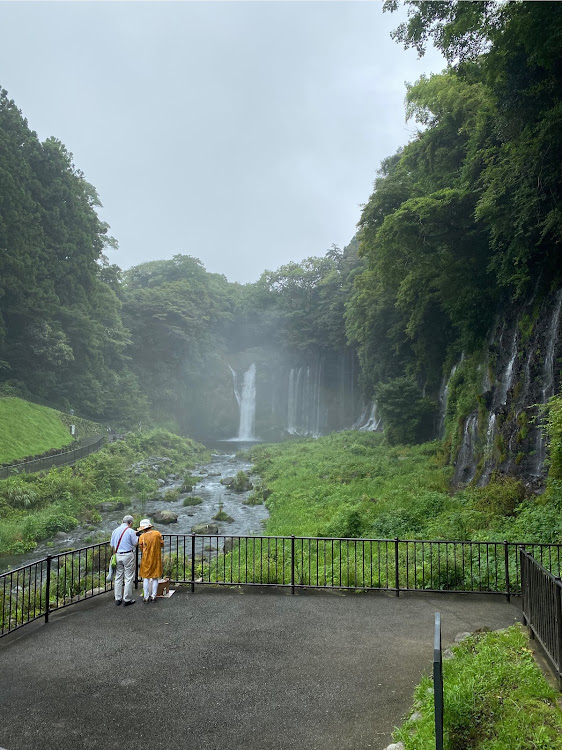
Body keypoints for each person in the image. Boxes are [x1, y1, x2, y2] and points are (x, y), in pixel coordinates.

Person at [110, 514, 139, 606]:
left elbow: (112, 545)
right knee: (128, 577)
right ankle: (127, 599)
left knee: (118, 576)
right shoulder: (130, 531)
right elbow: (135, 543)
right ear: (130, 523)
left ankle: (118, 598)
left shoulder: (115, 531)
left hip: (117, 555)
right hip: (128, 555)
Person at [137, 518, 164, 603]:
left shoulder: (142, 537)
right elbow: (162, 544)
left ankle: (146, 597)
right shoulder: (157, 533)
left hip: (146, 559)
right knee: (155, 577)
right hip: (156, 558)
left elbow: (141, 547)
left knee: (146, 578)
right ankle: (153, 596)